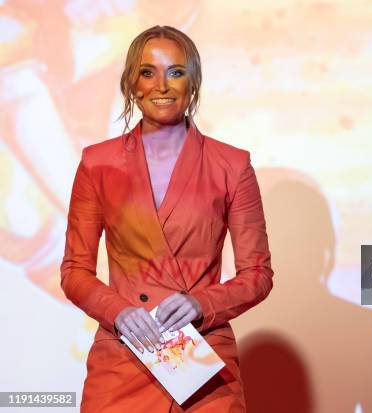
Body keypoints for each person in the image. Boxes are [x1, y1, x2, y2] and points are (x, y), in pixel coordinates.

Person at [60, 25, 273, 412]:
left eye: (175, 71)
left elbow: (257, 274)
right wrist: (118, 312)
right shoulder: (98, 163)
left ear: (193, 82)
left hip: (202, 358)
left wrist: (200, 304)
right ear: (131, 84)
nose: (162, 85)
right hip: (125, 354)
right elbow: (75, 270)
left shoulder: (232, 165)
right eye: (148, 72)